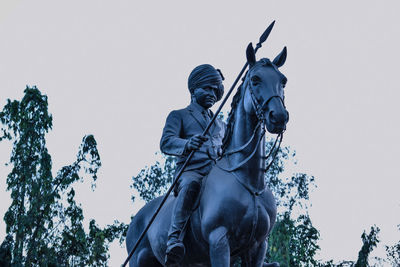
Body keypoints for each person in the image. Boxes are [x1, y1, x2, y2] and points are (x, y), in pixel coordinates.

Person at [160, 64, 225, 265]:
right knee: (191, 185)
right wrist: (187, 143)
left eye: (215, 90)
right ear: (194, 89)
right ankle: (174, 239)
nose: (212, 94)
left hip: (216, 175)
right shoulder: (179, 115)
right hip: (191, 171)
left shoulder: (221, 124)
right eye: (207, 88)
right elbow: (166, 142)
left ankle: (252, 248)